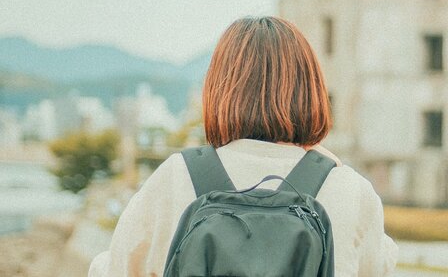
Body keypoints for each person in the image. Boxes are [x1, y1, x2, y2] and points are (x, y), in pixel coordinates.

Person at [88, 16, 398, 277]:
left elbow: (114, 269)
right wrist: (331, 164)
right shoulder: (351, 190)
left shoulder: (174, 177)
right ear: (311, 90)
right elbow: (380, 265)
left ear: (220, 89)